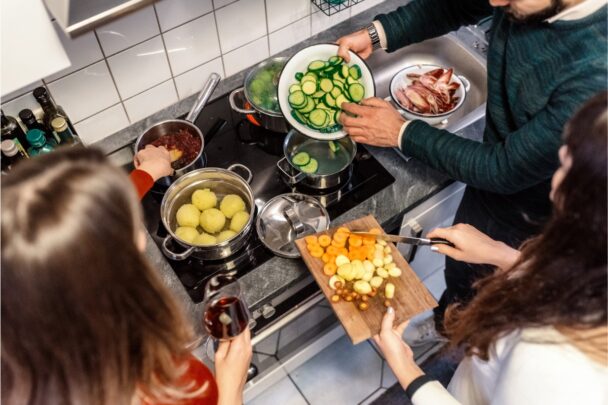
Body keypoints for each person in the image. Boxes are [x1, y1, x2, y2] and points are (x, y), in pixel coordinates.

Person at [335, 0, 608, 344]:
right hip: (494, 191)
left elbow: (503, 169)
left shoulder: (596, 72)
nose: (494, 2)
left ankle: (458, 338)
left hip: (526, 213)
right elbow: (453, 6)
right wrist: (378, 34)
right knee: (460, 272)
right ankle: (446, 321)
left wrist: (402, 133)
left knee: (485, 291)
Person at [373, 93, 607, 404]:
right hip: (481, 371)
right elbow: (562, 285)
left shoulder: (550, 364)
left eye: (567, 162)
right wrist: (499, 253)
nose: (559, 153)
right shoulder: (589, 258)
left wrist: (405, 369)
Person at [1, 147, 252, 405]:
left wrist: (147, 172)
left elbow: (75, 222)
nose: (143, 240)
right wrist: (231, 390)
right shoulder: (168, 388)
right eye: (130, 240)